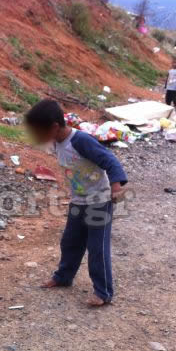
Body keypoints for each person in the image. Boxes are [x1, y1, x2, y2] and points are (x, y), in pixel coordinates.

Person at [25, 100, 128, 307]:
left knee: (97, 247)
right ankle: (64, 276)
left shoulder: (81, 140)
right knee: (70, 241)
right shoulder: (56, 143)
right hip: (79, 200)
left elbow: (109, 160)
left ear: (54, 126)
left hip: (99, 200)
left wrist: (117, 186)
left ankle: (103, 291)